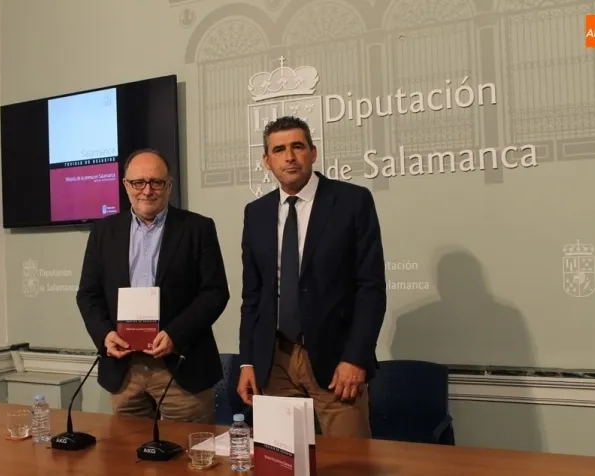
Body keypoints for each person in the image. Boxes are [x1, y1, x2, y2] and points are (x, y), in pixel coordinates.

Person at [237, 116, 387, 438]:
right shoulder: (256, 212)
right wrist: (247, 362)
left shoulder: (352, 201)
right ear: (267, 160)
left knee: (349, 460)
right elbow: (253, 296)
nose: (289, 157)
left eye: (298, 147)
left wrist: (356, 358)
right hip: (275, 361)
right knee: (281, 457)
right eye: (279, 150)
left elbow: (370, 288)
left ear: (313, 153)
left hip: (337, 363)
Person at [76, 148, 230, 423]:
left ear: (169, 186)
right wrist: (104, 335)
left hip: (182, 370)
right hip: (125, 371)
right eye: (138, 182)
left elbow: (215, 293)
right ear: (126, 185)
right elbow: (88, 294)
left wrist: (175, 335)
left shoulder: (198, 228)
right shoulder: (103, 232)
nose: (147, 191)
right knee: (127, 449)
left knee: (188, 448)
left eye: (156, 182)